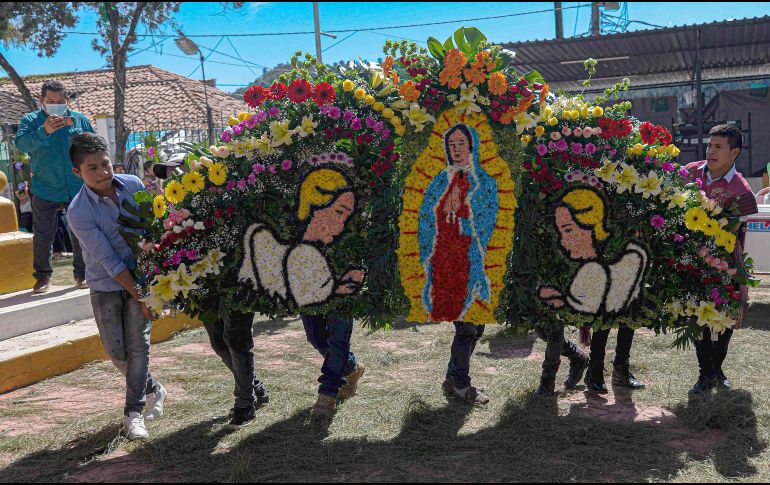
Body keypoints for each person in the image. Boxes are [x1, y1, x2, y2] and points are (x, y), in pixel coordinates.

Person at [239, 167, 365, 420]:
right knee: (316, 336)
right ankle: (351, 368)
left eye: (346, 215)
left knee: (338, 337)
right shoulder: (295, 237)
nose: (341, 223)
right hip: (308, 290)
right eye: (339, 212)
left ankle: (327, 393)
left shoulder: (347, 241)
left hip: (341, 292)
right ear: (315, 204)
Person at [66, 133, 167, 440]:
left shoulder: (134, 186)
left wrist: (152, 284)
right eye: (92, 168)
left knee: (139, 347)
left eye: (105, 164)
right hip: (106, 285)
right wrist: (138, 296)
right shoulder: (78, 211)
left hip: (143, 277)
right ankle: (155, 389)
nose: (102, 173)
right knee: (116, 352)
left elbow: (153, 227)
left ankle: (133, 414)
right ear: (78, 172)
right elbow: (108, 260)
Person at [539, 188, 648, 394]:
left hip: (620, 224)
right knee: (605, 309)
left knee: (627, 304)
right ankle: (595, 369)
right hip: (605, 221)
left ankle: (619, 369)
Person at [418, 124, 497, 405]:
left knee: (475, 327)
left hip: (473, 258)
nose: (456, 148)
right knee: (466, 327)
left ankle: (453, 377)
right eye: (451, 143)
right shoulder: (440, 181)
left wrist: (463, 222)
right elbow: (426, 215)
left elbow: (489, 220)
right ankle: (462, 384)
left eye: (461, 142)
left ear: (471, 145)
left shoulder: (484, 181)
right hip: (445, 260)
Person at [685, 124, 759, 395]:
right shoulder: (691, 172)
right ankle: (706, 373)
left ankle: (717, 368)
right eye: (709, 146)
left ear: (734, 152)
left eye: (718, 147)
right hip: (690, 258)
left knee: (726, 317)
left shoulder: (742, 190)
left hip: (726, 261)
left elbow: (732, 230)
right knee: (695, 314)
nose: (711, 151)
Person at [15, 80, 94, 293]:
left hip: (76, 186)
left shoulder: (79, 120)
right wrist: (44, 131)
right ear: (41, 100)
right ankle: (42, 277)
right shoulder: (30, 121)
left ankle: (82, 274)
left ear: (67, 100)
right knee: (43, 234)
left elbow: (95, 147)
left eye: (61, 101)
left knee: (80, 231)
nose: (56, 105)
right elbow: (21, 144)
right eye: (51, 101)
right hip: (45, 188)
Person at [202, 309, 270, 429]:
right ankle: (256, 389)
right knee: (219, 344)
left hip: (236, 293)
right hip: (205, 295)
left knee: (237, 343)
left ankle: (246, 404)